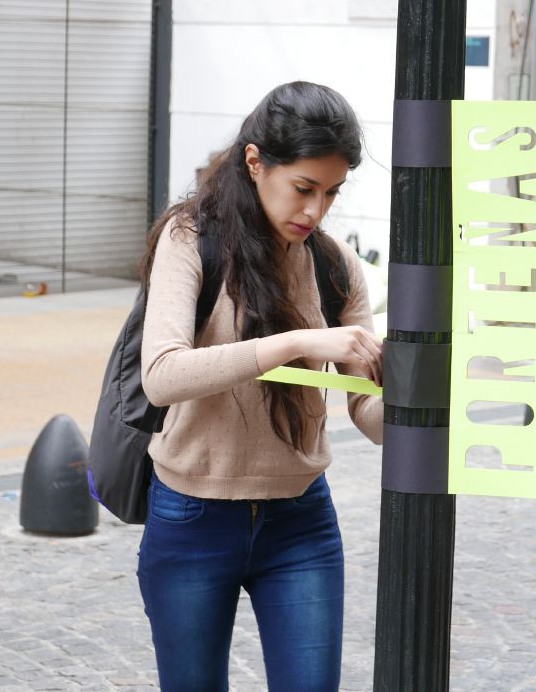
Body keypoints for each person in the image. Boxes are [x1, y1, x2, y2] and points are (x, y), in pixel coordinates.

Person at [136, 81, 383, 692]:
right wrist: (297, 343)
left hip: (300, 522)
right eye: (304, 188)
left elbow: (369, 416)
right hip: (192, 517)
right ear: (255, 163)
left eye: (331, 193)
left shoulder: (334, 265)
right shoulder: (190, 238)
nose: (316, 210)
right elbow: (163, 375)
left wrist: (420, 394)